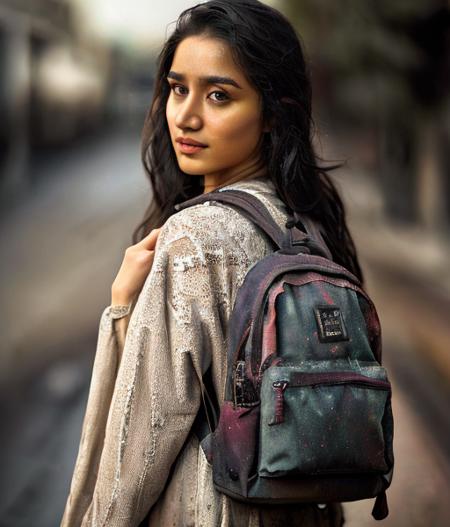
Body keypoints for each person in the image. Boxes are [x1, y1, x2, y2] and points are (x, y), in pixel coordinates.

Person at [61, 1, 363, 525]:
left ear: (272, 113)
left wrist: (120, 309)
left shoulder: (194, 238)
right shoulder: (305, 223)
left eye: (219, 95)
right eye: (179, 88)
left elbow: (137, 448)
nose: (186, 115)